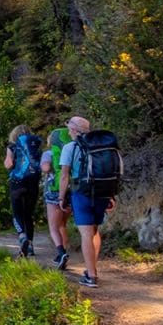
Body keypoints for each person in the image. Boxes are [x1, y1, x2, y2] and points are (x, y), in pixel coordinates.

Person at [59, 116, 115, 288]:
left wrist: (61, 197)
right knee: (94, 231)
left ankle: (91, 275)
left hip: (81, 192)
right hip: (102, 192)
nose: (68, 131)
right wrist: (111, 195)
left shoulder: (70, 147)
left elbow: (64, 175)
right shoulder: (102, 146)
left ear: (75, 130)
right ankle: (92, 269)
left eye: (70, 128)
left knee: (86, 233)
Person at [4, 125, 42, 258]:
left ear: (14, 135)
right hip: (33, 182)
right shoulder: (36, 144)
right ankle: (30, 245)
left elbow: (8, 164)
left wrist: (10, 161)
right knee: (28, 214)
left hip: (17, 182)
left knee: (17, 212)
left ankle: (22, 237)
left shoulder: (12, 146)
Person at [42, 127, 73, 270]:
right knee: (63, 225)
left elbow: (46, 168)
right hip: (71, 190)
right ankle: (64, 252)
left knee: (54, 227)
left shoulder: (48, 153)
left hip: (54, 190)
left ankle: (61, 252)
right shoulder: (73, 150)